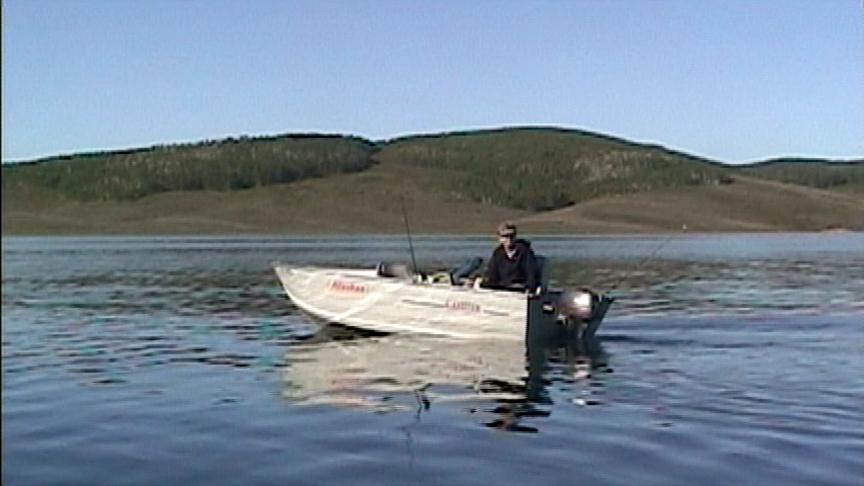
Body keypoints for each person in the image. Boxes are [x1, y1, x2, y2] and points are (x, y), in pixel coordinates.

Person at [479, 222, 539, 294]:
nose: (509, 239)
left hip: (519, 289)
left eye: (511, 236)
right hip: (502, 289)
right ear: (500, 238)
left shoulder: (525, 251)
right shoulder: (498, 253)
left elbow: (531, 274)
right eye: (505, 236)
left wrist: (529, 288)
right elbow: (492, 274)